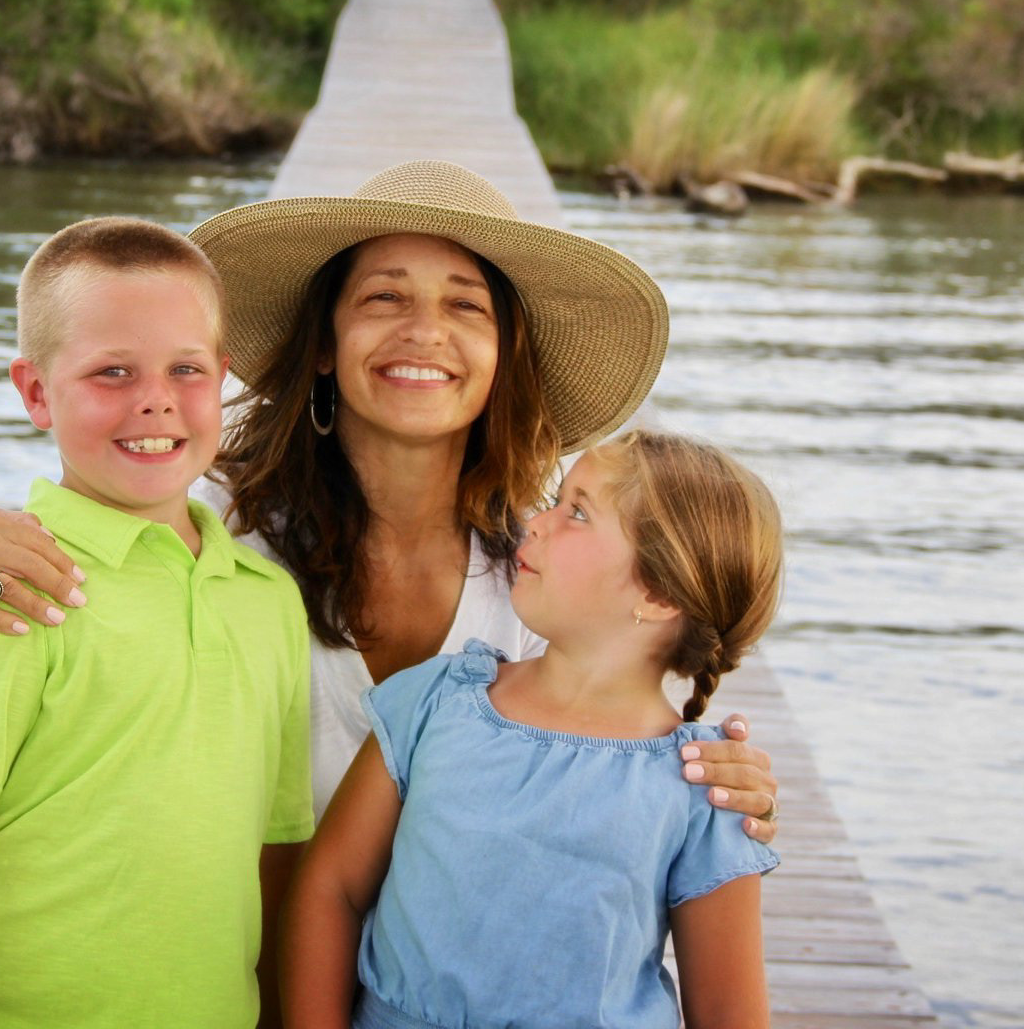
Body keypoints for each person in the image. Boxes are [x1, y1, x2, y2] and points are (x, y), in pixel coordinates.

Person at [0, 160, 783, 836]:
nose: (423, 332)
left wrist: (719, 782)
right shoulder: (210, 528)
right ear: (323, 343)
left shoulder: (551, 573)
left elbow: (639, 735)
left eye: (466, 307)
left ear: (507, 353)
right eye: (383, 297)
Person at [0, 218, 312, 1028]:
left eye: (186, 369)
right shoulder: (4, 583)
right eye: (112, 371)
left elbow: (275, 855)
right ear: (36, 392)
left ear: (225, 379)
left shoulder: (266, 601)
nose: (155, 398)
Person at [284, 430, 784, 1029]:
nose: (538, 522)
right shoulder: (436, 701)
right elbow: (330, 889)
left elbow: (729, 1012)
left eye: (576, 512)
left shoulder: (703, 787)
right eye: (556, 499)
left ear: (655, 593)